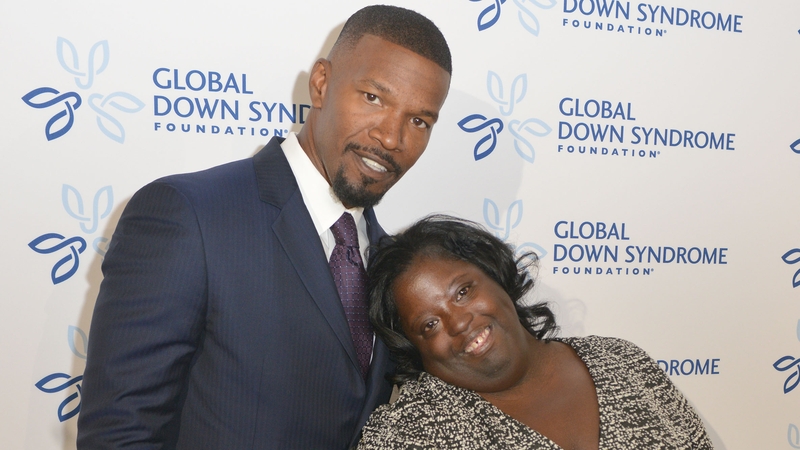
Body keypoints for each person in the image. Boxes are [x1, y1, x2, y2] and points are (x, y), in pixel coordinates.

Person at [77, 6, 451, 450]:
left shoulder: (394, 266)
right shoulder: (189, 215)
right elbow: (120, 434)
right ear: (321, 84)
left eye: (419, 121)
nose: (392, 137)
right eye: (373, 97)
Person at [359, 216, 713, 449]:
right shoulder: (408, 433)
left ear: (495, 275)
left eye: (463, 292)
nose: (459, 323)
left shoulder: (622, 361)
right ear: (414, 348)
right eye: (429, 325)